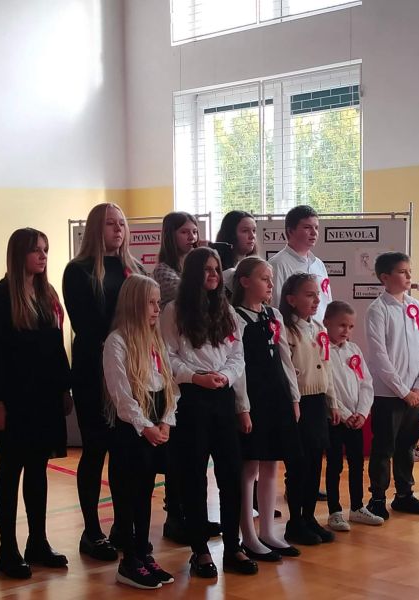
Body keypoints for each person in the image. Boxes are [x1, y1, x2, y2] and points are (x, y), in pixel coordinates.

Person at [161, 247, 257, 578]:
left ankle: (233, 546)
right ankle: (200, 550)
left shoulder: (226, 310)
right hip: (191, 399)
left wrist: (226, 379)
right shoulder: (174, 311)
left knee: (230, 474)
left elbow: (237, 355)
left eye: (216, 269)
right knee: (193, 476)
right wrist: (195, 377)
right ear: (192, 274)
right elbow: (168, 357)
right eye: (207, 269)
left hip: (222, 396)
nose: (214, 274)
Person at [0, 228, 72, 579]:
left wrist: (65, 388)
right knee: (10, 470)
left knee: (38, 469)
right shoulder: (0, 297)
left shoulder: (47, 294)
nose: (43, 255)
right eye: (36, 250)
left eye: (45, 249)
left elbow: (56, 346)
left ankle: (38, 541)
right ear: (19, 254)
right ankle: (8, 548)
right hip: (16, 398)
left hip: (46, 396)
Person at [63, 202, 143, 560]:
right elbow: (87, 322)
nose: (118, 230)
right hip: (93, 370)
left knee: (126, 452)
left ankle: (123, 525)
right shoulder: (78, 270)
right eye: (111, 223)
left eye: (121, 223)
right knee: (96, 449)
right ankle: (92, 530)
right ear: (96, 228)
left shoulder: (133, 268)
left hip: (131, 369)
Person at [104, 274, 176, 590]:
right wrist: (145, 426)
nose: (157, 309)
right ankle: (129, 560)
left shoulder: (155, 340)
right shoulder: (117, 342)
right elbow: (121, 394)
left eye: (158, 303)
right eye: (151, 303)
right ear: (134, 303)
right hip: (131, 429)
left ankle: (143, 553)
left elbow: (169, 385)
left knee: (145, 493)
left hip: (154, 424)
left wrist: (166, 421)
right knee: (127, 495)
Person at [152, 212, 219, 544]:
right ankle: (175, 516)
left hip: (200, 363)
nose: (192, 237)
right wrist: (200, 268)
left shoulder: (195, 267)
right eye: (184, 232)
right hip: (174, 365)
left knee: (196, 455)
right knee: (178, 452)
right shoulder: (164, 272)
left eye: (195, 231)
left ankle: (195, 515)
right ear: (170, 235)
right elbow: (191, 295)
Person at [231, 257, 303, 561]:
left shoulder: (274, 314)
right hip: (253, 398)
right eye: (264, 278)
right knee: (249, 467)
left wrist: (294, 398)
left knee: (272, 464)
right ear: (245, 281)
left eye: (271, 278)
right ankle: (247, 534)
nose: (270, 284)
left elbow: (285, 359)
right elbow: (238, 366)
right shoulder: (235, 316)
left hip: (277, 397)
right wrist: (243, 407)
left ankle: (268, 532)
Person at [365, 252, 419, 519]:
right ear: (385, 277)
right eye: (402, 272)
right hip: (389, 394)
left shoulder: (417, 306)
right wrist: (403, 391)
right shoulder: (377, 310)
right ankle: (377, 498)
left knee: (407, 446)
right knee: (384, 448)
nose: (408, 276)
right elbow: (379, 356)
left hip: (414, 394)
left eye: (409, 271)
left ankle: (404, 494)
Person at [279, 273, 341, 546]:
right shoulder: (285, 330)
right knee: (298, 465)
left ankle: (309, 517)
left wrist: (332, 402)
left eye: (317, 294)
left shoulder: (318, 328)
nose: (316, 300)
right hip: (298, 403)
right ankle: (295, 522)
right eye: (309, 295)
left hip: (317, 402)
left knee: (316, 463)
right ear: (291, 299)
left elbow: (327, 367)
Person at [323, 301, 384, 531]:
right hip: (335, 419)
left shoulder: (354, 350)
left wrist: (362, 412)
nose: (346, 331)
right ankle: (334, 511)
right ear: (327, 322)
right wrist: (345, 414)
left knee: (357, 464)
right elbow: (327, 387)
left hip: (356, 421)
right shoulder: (322, 350)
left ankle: (357, 507)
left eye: (350, 326)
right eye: (341, 325)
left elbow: (366, 383)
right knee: (335, 466)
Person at [269, 205, 331, 322]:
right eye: (307, 227)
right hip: (292, 330)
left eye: (316, 228)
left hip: (321, 331)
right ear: (290, 231)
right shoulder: (277, 264)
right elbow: (276, 306)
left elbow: (326, 302)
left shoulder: (319, 264)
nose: (314, 233)